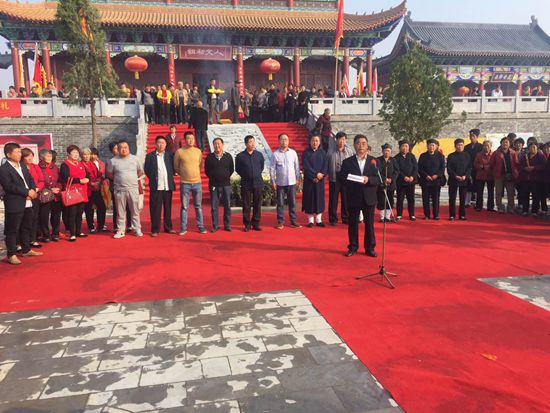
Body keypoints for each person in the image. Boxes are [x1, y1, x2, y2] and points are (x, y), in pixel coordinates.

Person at [0, 142, 43, 265]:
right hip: (15, 202)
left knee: (26, 226)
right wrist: (26, 192)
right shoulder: (3, 169)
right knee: (12, 229)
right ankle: (11, 254)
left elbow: (30, 179)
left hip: (28, 201)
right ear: (9, 154)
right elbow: (8, 186)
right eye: (17, 152)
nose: (20, 154)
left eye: (20, 152)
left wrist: (33, 190)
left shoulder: (22, 166)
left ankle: (26, 249)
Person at [340, 134, 381, 257]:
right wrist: (354, 179)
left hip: (369, 197)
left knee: (369, 224)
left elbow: (379, 179)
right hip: (354, 196)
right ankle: (353, 247)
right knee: (353, 223)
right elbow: (342, 178)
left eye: (363, 143)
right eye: (358, 143)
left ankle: (370, 248)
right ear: (354, 145)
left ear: (367, 145)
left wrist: (368, 179)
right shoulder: (347, 162)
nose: (361, 146)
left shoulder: (374, 161)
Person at [106, 140, 144, 238]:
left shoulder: (135, 159)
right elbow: (109, 174)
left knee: (135, 211)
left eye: (125, 147)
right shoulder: (113, 161)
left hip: (133, 188)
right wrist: (120, 179)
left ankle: (137, 228)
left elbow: (140, 171)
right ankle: (120, 230)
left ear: (129, 148)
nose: (124, 149)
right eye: (121, 148)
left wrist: (131, 178)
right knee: (120, 211)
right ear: (118, 149)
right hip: (119, 189)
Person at [173, 132, 206, 235]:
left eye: (192, 138)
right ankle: (183, 228)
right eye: (188, 138)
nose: (191, 140)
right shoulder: (179, 152)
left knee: (198, 206)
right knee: (184, 206)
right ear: (184, 140)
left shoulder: (198, 151)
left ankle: (201, 226)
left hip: (197, 182)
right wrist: (183, 174)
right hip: (185, 183)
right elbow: (176, 166)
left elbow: (200, 165)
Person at [144, 136, 175, 236]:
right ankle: (155, 229)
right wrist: (154, 178)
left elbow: (173, 167)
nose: (161, 145)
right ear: (155, 144)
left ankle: (168, 227)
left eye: (163, 143)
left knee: (168, 208)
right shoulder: (150, 156)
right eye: (159, 142)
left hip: (167, 186)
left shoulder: (170, 155)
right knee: (155, 209)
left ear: (166, 144)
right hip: (156, 186)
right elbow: (147, 170)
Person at [270, 133, 301, 229]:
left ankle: (293, 221)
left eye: (286, 139)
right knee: (280, 203)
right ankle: (280, 222)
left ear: (288, 141)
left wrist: (298, 178)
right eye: (282, 139)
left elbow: (297, 166)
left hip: (292, 182)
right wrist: (273, 181)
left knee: (292, 203)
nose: (284, 141)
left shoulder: (293, 153)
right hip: (280, 183)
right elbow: (272, 169)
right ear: (279, 141)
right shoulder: (275, 154)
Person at [60, 145, 90, 241]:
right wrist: (79, 180)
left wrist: (87, 178)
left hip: (82, 192)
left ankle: (78, 231)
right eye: (73, 152)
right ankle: (72, 233)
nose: (76, 154)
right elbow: (66, 178)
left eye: (77, 153)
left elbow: (87, 174)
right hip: (72, 192)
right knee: (72, 213)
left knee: (80, 212)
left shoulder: (80, 163)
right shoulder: (65, 164)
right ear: (69, 154)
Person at [235, 135, 265, 231]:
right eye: (250, 142)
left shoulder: (259, 155)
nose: (252, 144)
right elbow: (238, 169)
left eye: (253, 141)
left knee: (257, 204)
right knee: (246, 204)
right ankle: (247, 224)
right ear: (246, 144)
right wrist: (246, 175)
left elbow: (261, 167)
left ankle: (256, 223)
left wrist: (255, 174)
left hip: (258, 182)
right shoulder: (240, 156)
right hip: (246, 183)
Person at [205, 137, 234, 232]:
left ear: (222, 144)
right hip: (214, 185)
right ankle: (215, 225)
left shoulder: (228, 156)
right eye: (215, 144)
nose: (217, 145)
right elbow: (207, 171)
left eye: (219, 143)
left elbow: (231, 169)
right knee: (214, 207)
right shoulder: (209, 157)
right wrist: (215, 177)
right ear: (213, 145)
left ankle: (227, 224)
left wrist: (224, 176)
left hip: (226, 185)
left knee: (227, 205)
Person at [328, 132, 354, 226]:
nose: (341, 141)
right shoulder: (330, 151)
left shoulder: (349, 151)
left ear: (345, 140)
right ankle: (333, 218)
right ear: (336, 140)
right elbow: (327, 163)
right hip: (334, 176)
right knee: (333, 199)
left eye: (343, 139)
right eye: (339, 139)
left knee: (346, 198)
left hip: (346, 177)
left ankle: (345, 217)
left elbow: (353, 164)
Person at [302, 135, 328, 227]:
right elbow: (306, 166)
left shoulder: (323, 153)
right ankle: (310, 221)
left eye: (317, 141)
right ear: (310, 141)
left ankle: (319, 220)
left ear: (319, 142)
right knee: (309, 199)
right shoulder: (306, 153)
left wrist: (321, 175)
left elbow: (325, 165)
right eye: (313, 140)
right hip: (309, 180)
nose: (315, 142)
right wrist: (314, 175)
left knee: (319, 199)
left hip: (320, 181)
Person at [21, 148, 44, 249]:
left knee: (34, 218)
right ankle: (21, 242)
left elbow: (41, 180)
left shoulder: (35, 167)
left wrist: (36, 190)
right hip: (23, 196)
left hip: (35, 195)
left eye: (31, 156)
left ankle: (33, 239)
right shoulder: (20, 167)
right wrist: (27, 193)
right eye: (27, 156)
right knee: (23, 219)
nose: (30, 158)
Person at [418, 139, 446, 220]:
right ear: (427, 146)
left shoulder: (440, 156)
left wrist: (436, 175)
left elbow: (442, 168)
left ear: (436, 146)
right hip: (425, 180)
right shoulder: (423, 156)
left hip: (436, 181)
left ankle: (436, 215)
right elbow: (419, 168)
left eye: (433, 145)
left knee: (436, 199)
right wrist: (426, 175)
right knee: (425, 199)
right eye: (430, 145)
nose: (431, 147)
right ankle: (426, 215)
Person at [490, 137, 519, 213]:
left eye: (507, 142)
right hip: (499, 175)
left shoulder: (513, 153)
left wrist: (515, 173)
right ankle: (500, 207)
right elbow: (491, 164)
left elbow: (516, 164)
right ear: (501, 143)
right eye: (504, 142)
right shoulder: (496, 153)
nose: (505, 144)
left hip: (510, 175)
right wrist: (495, 171)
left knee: (510, 192)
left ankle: (511, 207)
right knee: (498, 192)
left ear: (509, 144)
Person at [38, 149, 62, 242]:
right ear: (42, 157)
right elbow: (39, 181)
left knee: (56, 215)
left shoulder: (55, 167)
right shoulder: (38, 167)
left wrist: (58, 188)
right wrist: (50, 189)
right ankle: (45, 235)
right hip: (45, 195)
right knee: (44, 216)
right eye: (47, 156)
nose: (49, 158)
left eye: (50, 156)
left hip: (56, 195)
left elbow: (60, 179)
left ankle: (55, 234)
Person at [82, 148, 106, 233]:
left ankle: (101, 225)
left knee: (102, 207)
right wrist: (91, 183)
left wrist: (99, 181)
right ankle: (91, 226)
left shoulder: (93, 164)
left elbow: (99, 174)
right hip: (87, 189)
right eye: (84, 154)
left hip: (96, 188)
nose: (86, 156)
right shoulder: (81, 164)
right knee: (89, 209)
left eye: (88, 154)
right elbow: (82, 177)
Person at [447, 138, 472, 221]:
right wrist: (455, 176)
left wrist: (465, 176)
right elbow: (449, 168)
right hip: (453, 180)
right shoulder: (451, 156)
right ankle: (452, 215)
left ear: (463, 146)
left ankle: (462, 215)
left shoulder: (467, 155)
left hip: (464, 180)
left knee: (463, 199)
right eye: (458, 145)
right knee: (452, 198)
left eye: (461, 145)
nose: (460, 146)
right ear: (455, 146)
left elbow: (469, 167)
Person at [518, 141, 546, 216]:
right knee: (525, 195)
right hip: (526, 179)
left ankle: (534, 211)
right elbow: (520, 166)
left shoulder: (540, 156)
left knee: (535, 196)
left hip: (536, 179)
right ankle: (525, 210)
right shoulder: (525, 156)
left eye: (534, 147)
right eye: (530, 147)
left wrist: (534, 168)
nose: (532, 149)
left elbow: (543, 166)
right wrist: (525, 168)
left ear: (537, 148)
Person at [394, 140, 418, 221]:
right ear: (400, 147)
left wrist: (412, 176)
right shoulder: (396, 158)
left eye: (406, 146)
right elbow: (397, 169)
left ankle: (412, 214)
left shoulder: (412, 156)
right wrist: (404, 177)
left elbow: (415, 167)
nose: (405, 148)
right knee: (400, 199)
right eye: (403, 146)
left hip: (411, 182)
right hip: (401, 182)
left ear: (408, 147)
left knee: (411, 199)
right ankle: (399, 214)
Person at [376, 143, 399, 222]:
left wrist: (391, 179)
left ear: (390, 152)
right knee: (381, 200)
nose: (386, 152)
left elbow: (396, 171)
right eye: (385, 151)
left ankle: (388, 216)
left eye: (388, 151)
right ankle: (382, 217)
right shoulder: (378, 160)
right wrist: (384, 179)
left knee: (390, 200)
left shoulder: (393, 160)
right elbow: (377, 171)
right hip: (381, 184)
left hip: (391, 184)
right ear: (382, 151)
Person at [473, 140, 495, 212]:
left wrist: (490, 167)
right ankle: (479, 206)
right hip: (480, 175)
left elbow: (496, 164)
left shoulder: (493, 154)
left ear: (491, 146)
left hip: (490, 176)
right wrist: (482, 166)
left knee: (491, 192)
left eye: (488, 145)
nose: (486, 147)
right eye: (485, 145)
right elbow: (475, 164)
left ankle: (490, 207)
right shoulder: (478, 154)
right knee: (479, 192)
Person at [464, 129, 483, 206]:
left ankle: (477, 202)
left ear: (477, 137)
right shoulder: (466, 147)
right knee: (468, 185)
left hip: (477, 169)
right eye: (470, 136)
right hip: (468, 168)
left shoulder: (481, 147)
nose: (472, 137)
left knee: (477, 185)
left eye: (473, 136)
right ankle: (467, 202)